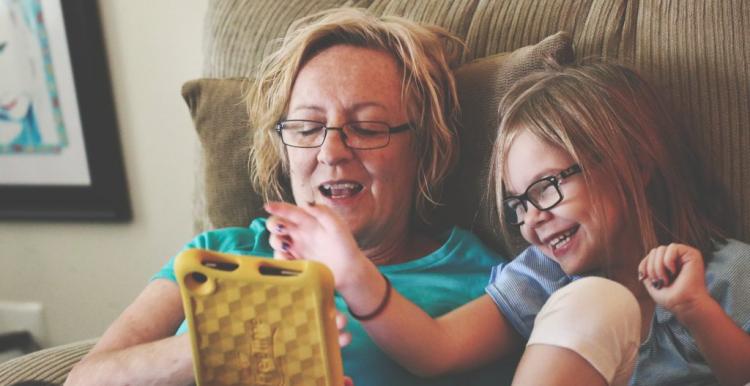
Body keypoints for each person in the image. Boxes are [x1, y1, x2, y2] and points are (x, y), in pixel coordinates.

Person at [65, 8, 512, 386]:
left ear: (424, 147)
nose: (331, 152)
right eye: (306, 127)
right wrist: (230, 344)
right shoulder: (218, 253)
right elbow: (87, 377)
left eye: (368, 127)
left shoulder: (485, 283)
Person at [265, 61, 750, 386]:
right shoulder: (544, 277)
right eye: (518, 204)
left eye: (546, 188)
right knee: (595, 299)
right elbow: (436, 349)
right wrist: (353, 272)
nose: (532, 220)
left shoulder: (729, 273)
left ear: (634, 164)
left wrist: (695, 309)